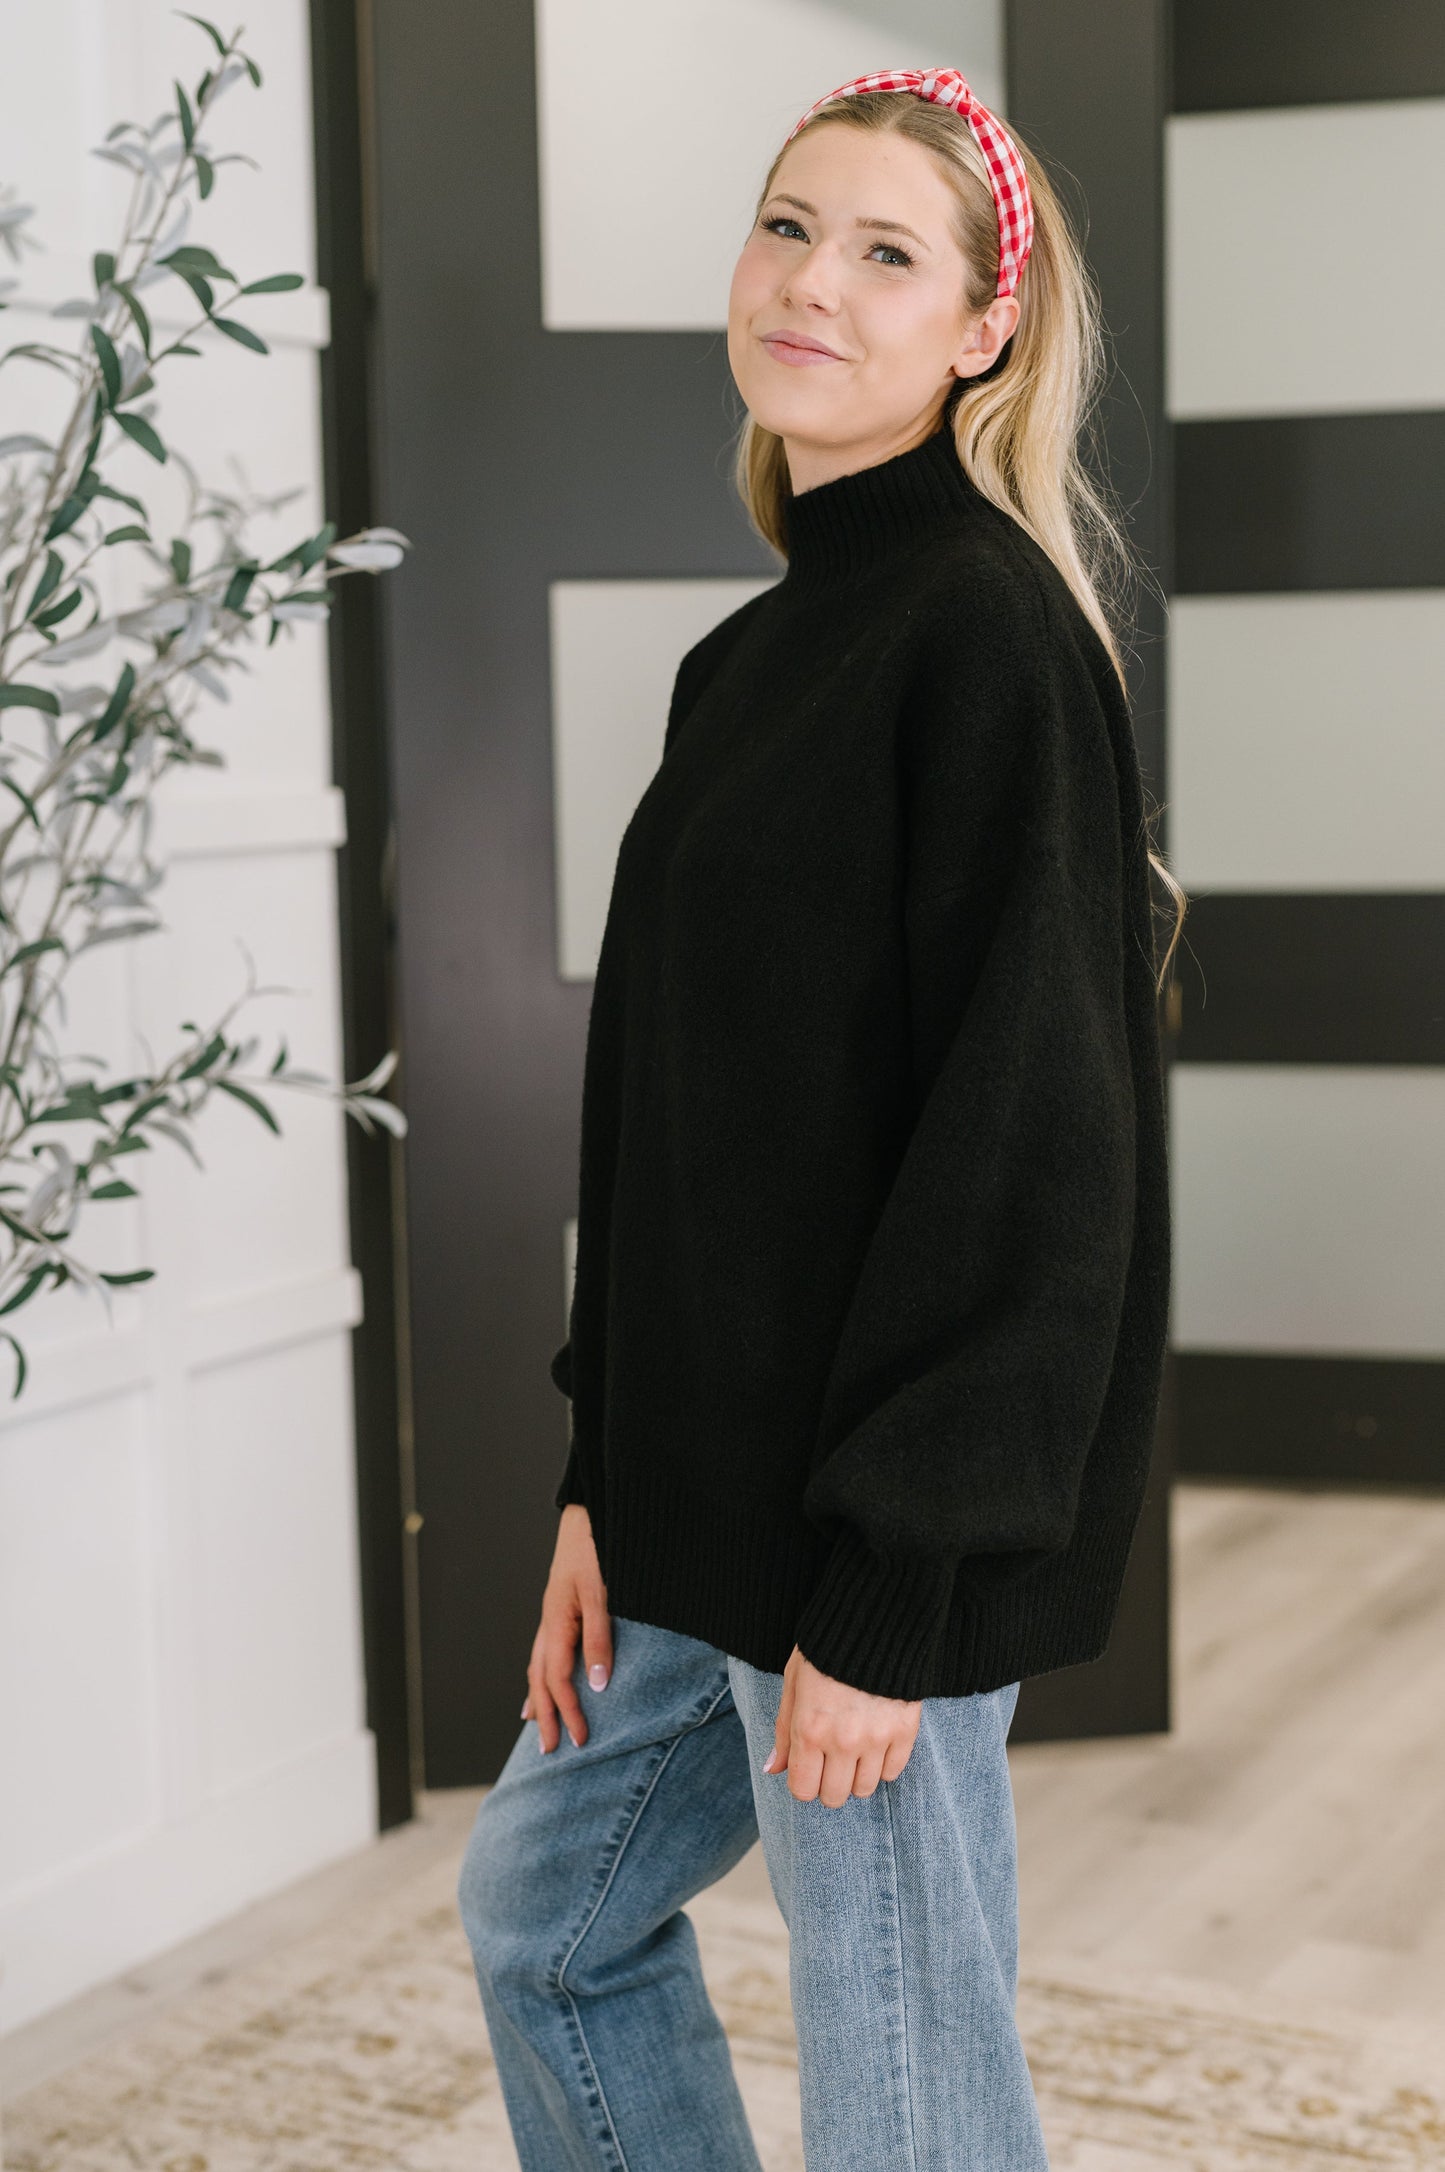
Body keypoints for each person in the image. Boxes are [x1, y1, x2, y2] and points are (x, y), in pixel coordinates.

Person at [457, 64, 1183, 2171]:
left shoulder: (986, 636)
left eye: (886, 253)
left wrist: (894, 1592)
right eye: (788, 227)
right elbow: (682, 1126)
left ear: (981, 333)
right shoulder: (755, 658)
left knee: (907, 2091)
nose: (812, 284)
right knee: (547, 1925)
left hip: (873, 1534)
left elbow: (1034, 1152)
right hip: (697, 1515)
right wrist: (607, 1477)